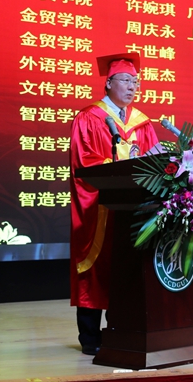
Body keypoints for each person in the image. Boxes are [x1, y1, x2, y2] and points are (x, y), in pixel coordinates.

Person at [69, 52, 159, 355]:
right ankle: (90, 337)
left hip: (133, 210)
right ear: (108, 83)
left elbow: (153, 162)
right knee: (96, 267)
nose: (132, 87)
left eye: (136, 82)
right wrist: (121, 165)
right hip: (100, 208)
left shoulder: (142, 123)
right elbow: (84, 164)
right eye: (125, 80)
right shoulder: (89, 118)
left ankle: (121, 330)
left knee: (126, 268)